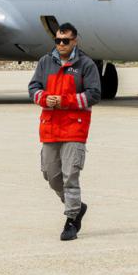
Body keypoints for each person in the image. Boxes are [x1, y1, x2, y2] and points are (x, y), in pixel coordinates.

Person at [28, 23, 101, 241]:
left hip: (74, 129)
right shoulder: (45, 62)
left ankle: (71, 221)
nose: (61, 44)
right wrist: (44, 98)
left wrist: (64, 101)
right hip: (50, 128)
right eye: (58, 41)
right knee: (51, 176)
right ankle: (77, 206)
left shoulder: (85, 64)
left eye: (65, 41)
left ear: (75, 41)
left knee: (71, 176)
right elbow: (33, 88)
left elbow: (94, 94)